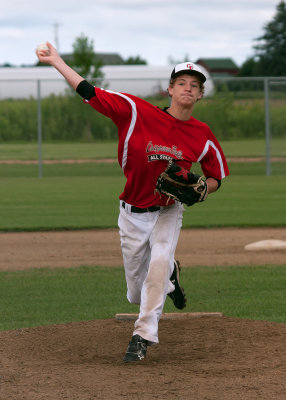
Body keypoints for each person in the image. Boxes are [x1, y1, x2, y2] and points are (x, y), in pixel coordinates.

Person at [36, 42, 229, 363]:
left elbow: (217, 175)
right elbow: (89, 91)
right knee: (136, 292)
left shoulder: (201, 133)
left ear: (200, 96)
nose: (188, 88)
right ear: (170, 89)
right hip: (132, 213)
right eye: (182, 82)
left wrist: (202, 189)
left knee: (158, 264)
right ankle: (170, 278)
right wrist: (56, 60)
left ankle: (142, 335)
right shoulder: (137, 111)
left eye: (195, 86)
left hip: (168, 210)